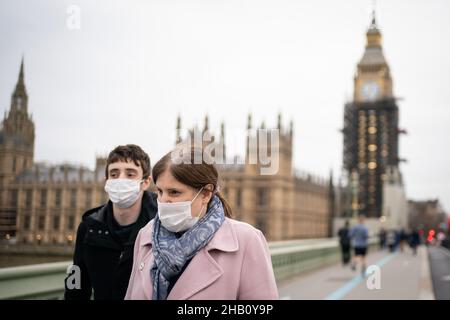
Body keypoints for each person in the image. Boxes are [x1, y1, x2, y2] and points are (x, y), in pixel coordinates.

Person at [125, 147, 278, 300]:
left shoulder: (247, 240)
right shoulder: (146, 235)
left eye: (174, 192)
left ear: (205, 194)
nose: (164, 200)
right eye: (160, 191)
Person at [64, 144, 158, 300]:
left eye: (130, 174)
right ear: (106, 181)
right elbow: (76, 286)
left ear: (146, 182)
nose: (121, 179)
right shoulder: (88, 228)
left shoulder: (162, 226)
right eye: (114, 174)